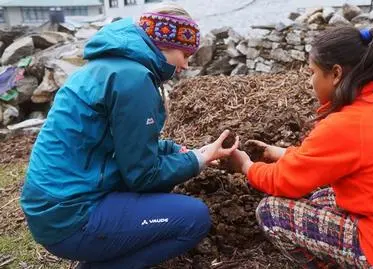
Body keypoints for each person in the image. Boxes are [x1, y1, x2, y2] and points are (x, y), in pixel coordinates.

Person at [20, 3, 238, 269]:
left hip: (53, 206)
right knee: (194, 219)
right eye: (185, 54)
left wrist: (175, 150)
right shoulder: (133, 80)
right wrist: (197, 161)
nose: (186, 64)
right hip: (71, 217)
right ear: (165, 45)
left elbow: (123, 145)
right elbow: (142, 176)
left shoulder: (112, 66)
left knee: (164, 187)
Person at [230, 26, 373, 269]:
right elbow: (316, 160)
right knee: (322, 197)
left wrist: (246, 166)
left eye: (313, 72)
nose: (309, 80)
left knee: (272, 213)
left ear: (335, 74)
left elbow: (283, 181)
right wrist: (278, 153)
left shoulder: (345, 124)